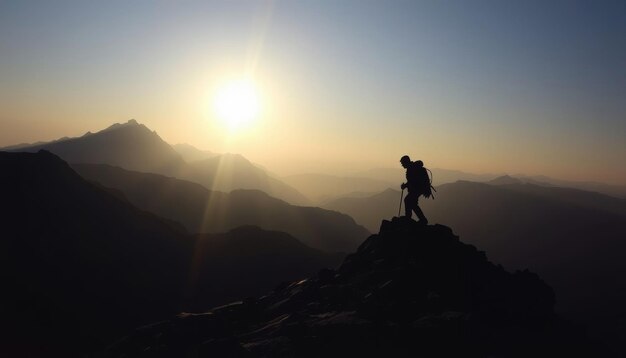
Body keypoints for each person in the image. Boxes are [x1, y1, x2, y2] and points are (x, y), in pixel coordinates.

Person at [400, 155, 428, 224]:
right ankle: (421, 219)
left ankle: (410, 218)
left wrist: (405, 185)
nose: (402, 165)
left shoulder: (411, 169)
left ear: (406, 162)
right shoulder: (412, 168)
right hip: (419, 189)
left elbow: (412, 181)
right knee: (412, 203)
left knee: (408, 200)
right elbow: (412, 180)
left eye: (402, 163)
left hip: (417, 189)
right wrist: (406, 185)